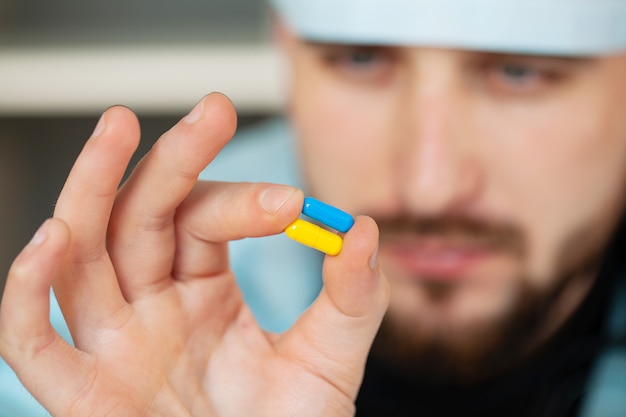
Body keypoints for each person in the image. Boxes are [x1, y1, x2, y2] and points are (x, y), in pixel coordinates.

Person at [1, 0, 625, 415]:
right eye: (361, 60)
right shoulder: (117, 321)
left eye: (521, 72)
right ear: (285, 47)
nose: (430, 187)